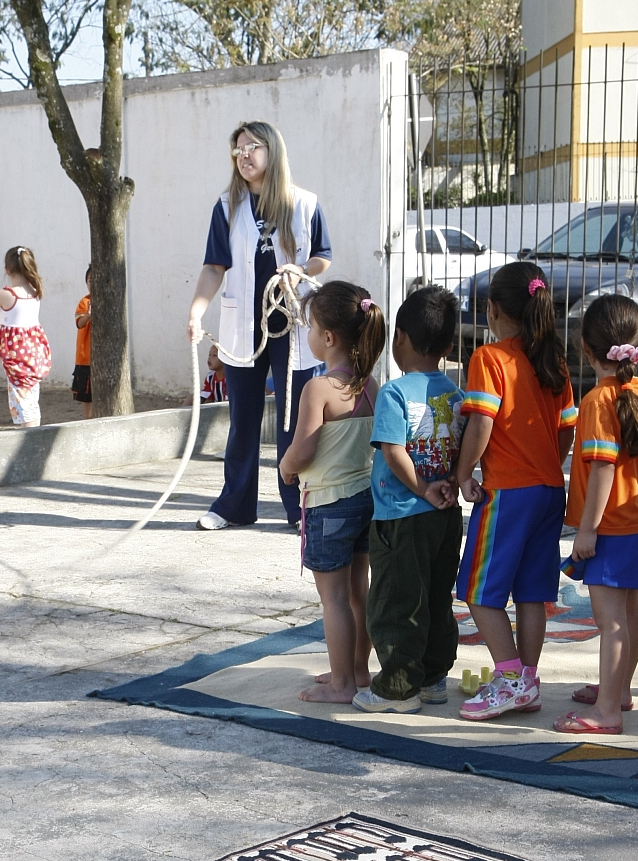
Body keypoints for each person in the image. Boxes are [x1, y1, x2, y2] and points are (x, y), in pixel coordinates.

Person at [187, 120, 332, 531]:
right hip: (243, 327)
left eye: (251, 147)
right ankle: (235, 504)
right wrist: (197, 311)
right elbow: (214, 267)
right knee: (243, 418)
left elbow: (322, 255)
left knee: (296, 419)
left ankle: (298, 507)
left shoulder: (304, 203)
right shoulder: (226, 206)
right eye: (237, 151)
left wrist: (299, 269)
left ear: (272, 150)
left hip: (293, 323)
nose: (244, 156)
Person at [455, 263, 577, 721]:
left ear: (492, 308)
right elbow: (567, 431)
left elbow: (482, 421)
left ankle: (508, 679)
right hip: (549, 489)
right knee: (530, 593)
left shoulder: (490, 359)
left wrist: (466, 471)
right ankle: (526, 679)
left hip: (509, 492)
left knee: (479, 592)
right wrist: (545, 458)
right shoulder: (554, 362)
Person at [353, 285, 465, 714]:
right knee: (437, 596)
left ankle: (398, 688)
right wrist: (452, 481)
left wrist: (420, 487)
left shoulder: (395, 394)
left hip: (402, 515)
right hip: (445, 514)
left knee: (397, 600)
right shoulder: (454, 394)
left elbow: (392, 450)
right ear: (449, 345)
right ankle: (433, 676)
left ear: (399, 337)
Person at [554, 296, 638, 735]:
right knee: (631, 611)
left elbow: (602, 469)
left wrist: (587, 530)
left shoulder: (598, 400)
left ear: (585, 347)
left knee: (610, 621)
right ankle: (620, 691)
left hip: (610, 527)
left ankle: (607, 712)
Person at [279, 283, 384, 704]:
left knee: (334, 599)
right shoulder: (370, 387)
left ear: (329, 338)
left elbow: (303, 450)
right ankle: (357, 670)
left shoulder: (318, 389)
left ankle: (342, 685)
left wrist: (286, 467)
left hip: (328, 505)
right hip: (365, 499)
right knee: (359, 592)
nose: (307, 335)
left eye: (311, 327)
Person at [0, 246, 51, 428]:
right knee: (30, 397)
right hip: (34, 351)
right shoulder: (34, 291)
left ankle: (31, 439)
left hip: (17, 357)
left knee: (22, 400)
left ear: (7, 269)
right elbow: (22, 317)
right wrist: (0, 314)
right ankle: (33, 433)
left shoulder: (6, 294)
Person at [73, 267, 92, 419]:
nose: (92, 283)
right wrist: (89, 315)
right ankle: (88, 419)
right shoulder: (85, 302)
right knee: (86, 395)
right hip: (85, 358)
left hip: (101, 360)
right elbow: (79, 323)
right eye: (89, 280)